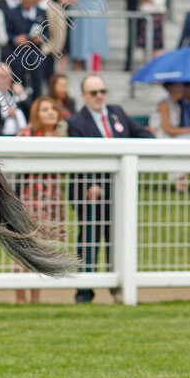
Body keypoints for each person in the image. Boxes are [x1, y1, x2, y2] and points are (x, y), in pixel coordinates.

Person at [67, 75, 154, 303]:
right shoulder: (76, 122)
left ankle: (119, 289)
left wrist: (152, 137)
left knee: (118, 237)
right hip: (90, 191)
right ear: (84, 96)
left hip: (118, 190)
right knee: (90, 237)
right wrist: (89, 184)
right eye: (94, 92)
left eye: (102, 91)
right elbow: (77, 159)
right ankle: (84, 291)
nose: (99, 96)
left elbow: (140, 133)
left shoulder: (118, 113)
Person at [14, 96, 67, 303]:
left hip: (53, 197)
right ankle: (20, 296)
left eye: (53, 109)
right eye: (45, 110)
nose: (51, 113)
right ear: (37, 114)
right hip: (31, 198)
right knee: (25, 245)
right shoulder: (27, 133)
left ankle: (36, 297)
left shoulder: (62, 134)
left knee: (43, 248)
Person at [6, 0, 47, 100]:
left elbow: (47, 32)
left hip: (35, 52)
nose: (28, 5)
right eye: (26, 2)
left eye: (30, 2)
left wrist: (41, 38)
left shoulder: (41, 12)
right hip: (18, 54)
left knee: (37, 82)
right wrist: (16, 39)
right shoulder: (12, 12)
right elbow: (6, 33)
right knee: (18, 83)